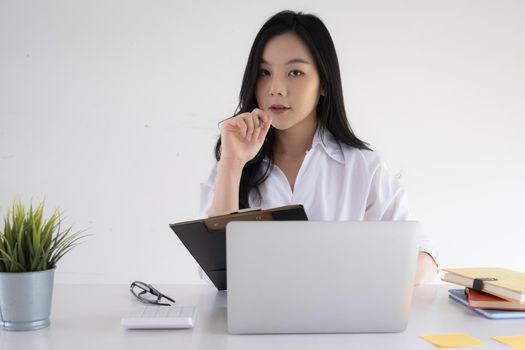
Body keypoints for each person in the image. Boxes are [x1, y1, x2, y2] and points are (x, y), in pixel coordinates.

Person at [199, 10, 438, 284]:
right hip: (254, 323)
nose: (276, 88)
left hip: (339, 320)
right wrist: (232, 163)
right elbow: (215, 274)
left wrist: (362, 278)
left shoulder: (361, 166)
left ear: (323, 83)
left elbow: (423, 254)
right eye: (265, 72)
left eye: (295, 72)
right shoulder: (232, 161)